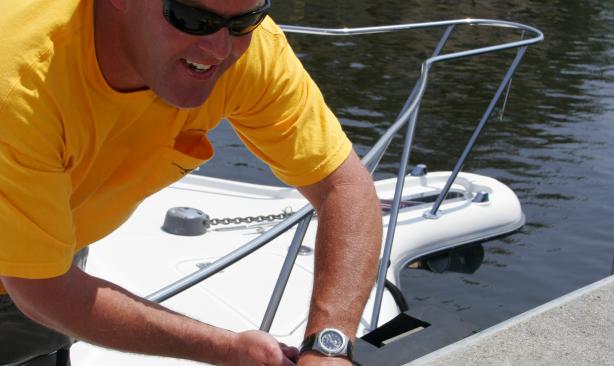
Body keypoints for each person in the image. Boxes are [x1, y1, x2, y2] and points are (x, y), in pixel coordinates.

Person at [0, 0, 383, 365]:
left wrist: (328, 345)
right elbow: (42, 290)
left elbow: (342, 185)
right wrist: (226, 348)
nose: (219, 49)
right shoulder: (19, 85)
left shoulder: (248, 53)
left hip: (48, 270)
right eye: (191, 18)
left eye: (245, 21)